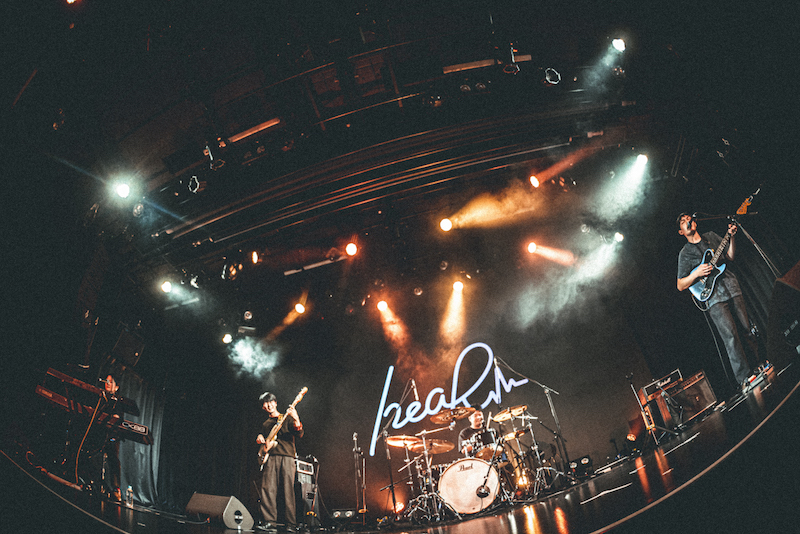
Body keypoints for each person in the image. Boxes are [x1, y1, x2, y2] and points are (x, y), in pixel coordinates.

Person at [676, 213, 759, 392]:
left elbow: (730, 256)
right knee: (731, 337)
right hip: (713, 297)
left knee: (747, 328)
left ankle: (759, 365)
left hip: (731, 286)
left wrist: (732, 236)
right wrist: (696, 274)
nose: (688, 221)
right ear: (681, 231)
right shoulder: (685, 253)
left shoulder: (711, 236)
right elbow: (680, 285)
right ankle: (744, 378)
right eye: (683, 222)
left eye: (689, 218)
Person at [256, 392, 303, 532]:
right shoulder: (265, 424)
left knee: (288, 490)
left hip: (287, 457)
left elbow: (299, 433)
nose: (268, 405)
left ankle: (291, 524)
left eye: (270, 401)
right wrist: (260, 438)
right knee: (268, 490)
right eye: (265, 403)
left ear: (275, 402)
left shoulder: (286, 418)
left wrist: (296, 417)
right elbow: (264, 439)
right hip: (271, 458)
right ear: (263, 407)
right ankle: (269, 522)